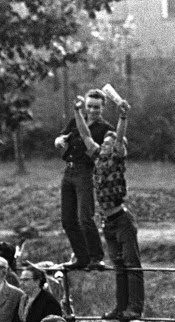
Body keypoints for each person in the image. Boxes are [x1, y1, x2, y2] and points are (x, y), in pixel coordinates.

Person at [73, 95, 145, 320]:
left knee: (132, 265)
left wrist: (123, 116)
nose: (104, 145)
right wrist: (77, 112)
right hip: (108, 222)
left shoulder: (116, 158)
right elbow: (85, 134)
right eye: (103, 142)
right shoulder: (97, 158)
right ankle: (120, 307)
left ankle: (135, 308)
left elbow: (120, 135)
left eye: (109, 143)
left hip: (122, 219)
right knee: (119, 266)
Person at [54, 89, 113, 271]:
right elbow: (60, 137)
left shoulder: (106, 129)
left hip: (86, 172)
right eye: (90, 106)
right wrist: (59, 140)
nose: (93, 110)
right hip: (69, 171)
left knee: (85, 218)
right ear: (85, 107)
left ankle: (96, 257)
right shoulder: (75, 121)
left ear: (103, 107)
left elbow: (103, 151)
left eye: (97, 107)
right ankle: (81, 257)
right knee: (67, 219)